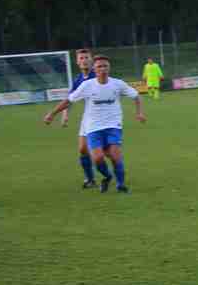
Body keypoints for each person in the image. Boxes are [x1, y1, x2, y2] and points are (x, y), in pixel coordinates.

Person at [44, 55, 145, 192]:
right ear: (94, 69)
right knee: (97, 158)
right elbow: (69, 101)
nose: (103, 69)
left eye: (105, 66)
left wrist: (139, 113)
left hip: (113, 125)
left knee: (115, 155)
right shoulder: (87, 85)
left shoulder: (118, 84)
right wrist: (52, 114)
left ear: (109, 68)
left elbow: (136, 96)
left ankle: (121, 185)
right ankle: (107, 176)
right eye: (99, 66)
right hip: (93, 127)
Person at [65, 48, 113, 188]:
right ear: (77, 62)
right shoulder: (78, 80)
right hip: (88, 118)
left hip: (103, 119)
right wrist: (65, 114)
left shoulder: (97, 74)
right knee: (82, 149)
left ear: (91, 60)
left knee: (106, 152)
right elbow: (70, 98)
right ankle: (90, 179)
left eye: (86, 57)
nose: (84, 60)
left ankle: (112, 173)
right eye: (81, 58)